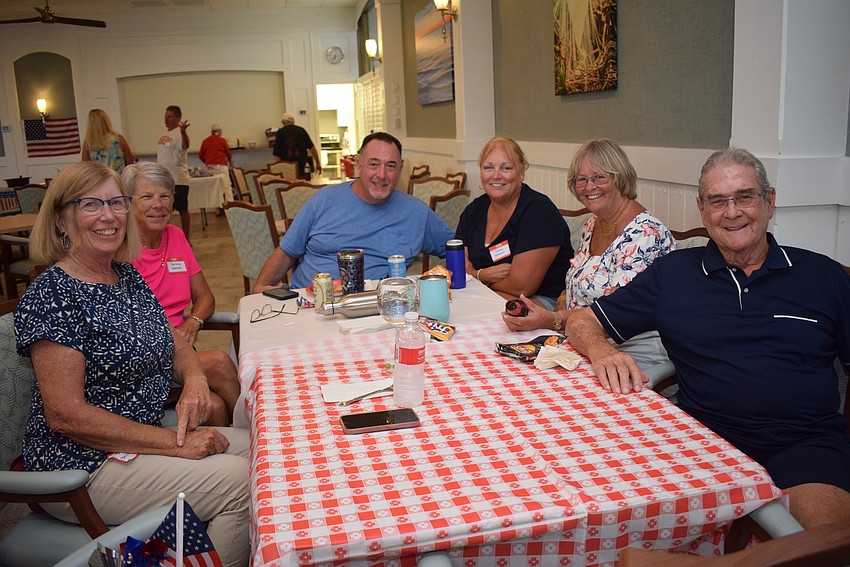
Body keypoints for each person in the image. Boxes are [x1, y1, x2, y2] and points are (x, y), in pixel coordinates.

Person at [565, 147, 850, 528]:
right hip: (700, 442)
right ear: (702, 209)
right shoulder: (673, 275)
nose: (732, 212)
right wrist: (602, 351)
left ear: (769, 201)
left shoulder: (824, 276)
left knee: (826, 543)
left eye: (745, 197)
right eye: (717, 201)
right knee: (610, 511)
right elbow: (583, 321)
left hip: (805, 444)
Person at [14, 161, 249, 566]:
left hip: (139, 438)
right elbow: (66, 415)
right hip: (84, 464)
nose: (108, 215)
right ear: (61, 221)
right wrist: (175, 446)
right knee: (241, 483)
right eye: (90, 204)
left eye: (116, 203)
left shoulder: (125, 277)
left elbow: (175, 344)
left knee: (268, 449)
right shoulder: (54, 294)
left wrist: (195, 380)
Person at [503, 139, 675, 370]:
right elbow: (578, 278)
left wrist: (553, 320)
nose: (589, 186)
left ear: (620, 178)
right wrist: (560, 303)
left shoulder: (645, 235)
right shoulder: (593, 225)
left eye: (599, 177)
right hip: (582, 340)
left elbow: (615, 314)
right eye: (581, 179)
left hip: (629, 352)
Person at [253, 131, 454, 291]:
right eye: (373, 164)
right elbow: (286, 252)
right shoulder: (322, 201)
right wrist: (260, 287)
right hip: (311, 304)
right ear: (358, 165)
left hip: (376, 309)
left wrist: (466, 280)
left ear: (400, 170)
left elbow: (455, 247)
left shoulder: (416, 213)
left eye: (390, 166)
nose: (382, 174)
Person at [124, 162, 240, 425]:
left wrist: (193, 322)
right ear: (129, 203)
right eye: (147, 197)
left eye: (165, 196)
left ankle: (238, 441)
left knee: (215, 407)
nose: (158, 204)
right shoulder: (121, 250)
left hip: (184, 353)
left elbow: (206, 297)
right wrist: (172, 337)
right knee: (220, 362)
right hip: (146, 356)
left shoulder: (175, 236)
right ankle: (254, 431)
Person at [455, 136, 573, 309]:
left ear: (521, 172)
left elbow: (521, 286)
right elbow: (457, 270)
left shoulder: (539, 212)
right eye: (488, 168)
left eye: (506, 168)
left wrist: (474, 278)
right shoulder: (473, 211)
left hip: (542, 302)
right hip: (485, 294)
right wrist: (482, 275)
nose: (496, 175)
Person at [157, 105, 191, 240]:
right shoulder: (164, 134)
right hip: (164, 180)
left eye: (169, 116)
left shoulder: (179, 133)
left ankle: (186, 239)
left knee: (182, 209)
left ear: (177, 118)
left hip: (178, 179)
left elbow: (185, 145)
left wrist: (183, 131)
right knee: (165, 209)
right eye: (165, 116)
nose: (166, 119)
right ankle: (166, 239)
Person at [81, 108, 135, 174]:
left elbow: (85, 171)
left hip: (100, 179)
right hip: (119, 178)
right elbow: (130, 165)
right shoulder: (119, 139)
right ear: (106, 121)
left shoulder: (88, 144)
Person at [272, 112, 322, 179]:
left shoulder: (280, 133)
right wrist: (318, 163)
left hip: (287, 169)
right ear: (293, 121)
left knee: (289, 184)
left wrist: (279, 169)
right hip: (302, 167)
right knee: (303, 184)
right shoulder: (301, 130)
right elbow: (312, 149)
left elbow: (277, 154)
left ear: (283, 122)